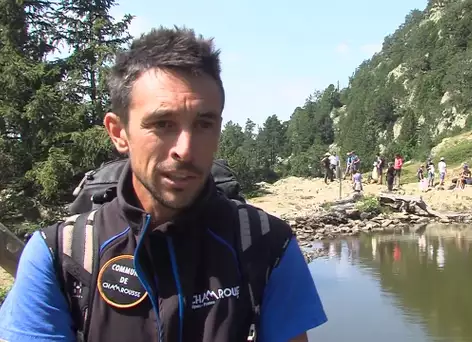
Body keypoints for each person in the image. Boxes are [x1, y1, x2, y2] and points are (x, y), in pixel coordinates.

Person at [0, 27, 327, 342]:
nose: (185, 149)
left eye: (204, 123)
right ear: (118, 132)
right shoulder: (60, 256)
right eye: (162, 124)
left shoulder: (267, 245)